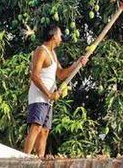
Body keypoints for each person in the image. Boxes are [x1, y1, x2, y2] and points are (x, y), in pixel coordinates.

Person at [23, 25, 88, 157]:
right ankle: (24, 159)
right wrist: (49, 94)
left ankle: (39, 160)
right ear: (53, 36)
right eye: (60, 35)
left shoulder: (52, 54)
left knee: (45, 131)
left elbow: (61, 74)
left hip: (48, 98)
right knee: (36, 127)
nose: (61, 39)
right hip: (39, 97)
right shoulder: (41, 51)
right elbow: (34, 76)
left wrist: (78, 63)